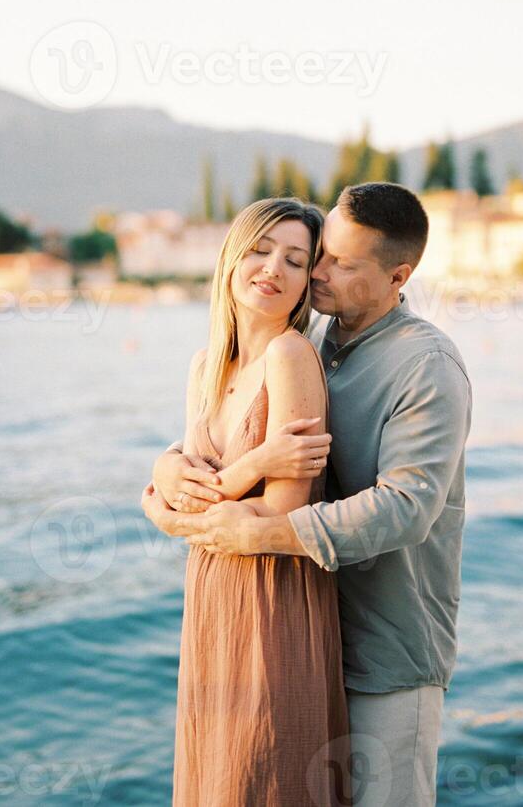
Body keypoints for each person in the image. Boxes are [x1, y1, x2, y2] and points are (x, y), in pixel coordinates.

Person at [143, 182, 472, 807]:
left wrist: (262, 532)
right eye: (320, 254)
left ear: (397, 275)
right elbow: (228, 436)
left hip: (385, 648)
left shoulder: (425, 363)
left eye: (339, 263)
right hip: (306, 622)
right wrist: (161, 474)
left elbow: (408, 507)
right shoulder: (318, 342)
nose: (316, 271)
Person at [143, 197, 350, 807]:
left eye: (294, 259)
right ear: (232, 257)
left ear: (306, 282)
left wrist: (174, 504)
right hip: (210, 591)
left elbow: (280, 517)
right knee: (217, 771)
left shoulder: (290, 356)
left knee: (265, 775)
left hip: (272, 593)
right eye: (260, 250)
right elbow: (186, 491)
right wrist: (173, 477)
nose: (273, 268)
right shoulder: (206, 365)